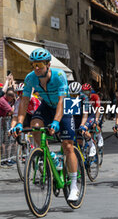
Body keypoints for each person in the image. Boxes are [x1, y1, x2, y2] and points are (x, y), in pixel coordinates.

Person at [11, 48, 79, 201]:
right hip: (47, 106)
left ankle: (74, 185)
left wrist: (56, 122)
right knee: (35, 125)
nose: (36, 68)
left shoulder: (59, 76)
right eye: (34, 64)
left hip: (64, 106)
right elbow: (24, 101)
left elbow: (62, 101)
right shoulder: (30, 78)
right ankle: (52, 156)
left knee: (68, 146)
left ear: (48, 65)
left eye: (39, 65)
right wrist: (19, 123)